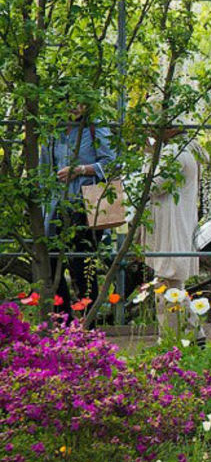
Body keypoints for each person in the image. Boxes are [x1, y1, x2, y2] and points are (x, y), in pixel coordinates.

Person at [42, 96, 116, 310]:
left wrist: (81, 170)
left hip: (86, 203)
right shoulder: (53, 130)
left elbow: (111, 163)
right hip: (58, 203)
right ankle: (63, 315)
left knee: (81, 263)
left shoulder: (94, 127)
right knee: (50, 259)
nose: (74, 106)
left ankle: (88, 322)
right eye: (69, 101)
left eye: (80, 102)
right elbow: (44, 168)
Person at [139, 127, 205, 338]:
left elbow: (151, 185)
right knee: (169, 282)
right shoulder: (186, 151)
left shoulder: (175, 154)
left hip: (172, 227)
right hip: (175, 225)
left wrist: (149, 156)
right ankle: (190, 334)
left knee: (168, 282)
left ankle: (178, 337)